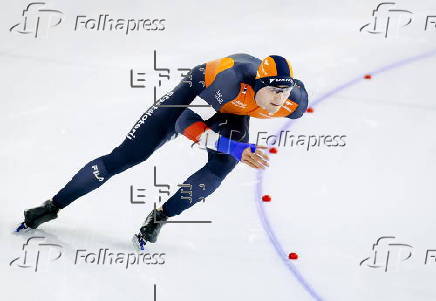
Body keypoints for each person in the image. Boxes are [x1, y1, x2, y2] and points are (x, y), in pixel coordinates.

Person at [18, 53, 308, 249]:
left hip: (231, 112)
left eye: (284, 92)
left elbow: (285, 99)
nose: (278, 99)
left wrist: (232, 150)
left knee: (222, 166)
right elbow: (185, 123)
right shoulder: (230, 83)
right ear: (256, 84)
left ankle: (161, 216)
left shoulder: (294, 103)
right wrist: (234, 146)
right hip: (195, 96)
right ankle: (52, 206)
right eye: (272, 91)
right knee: (128, 156)